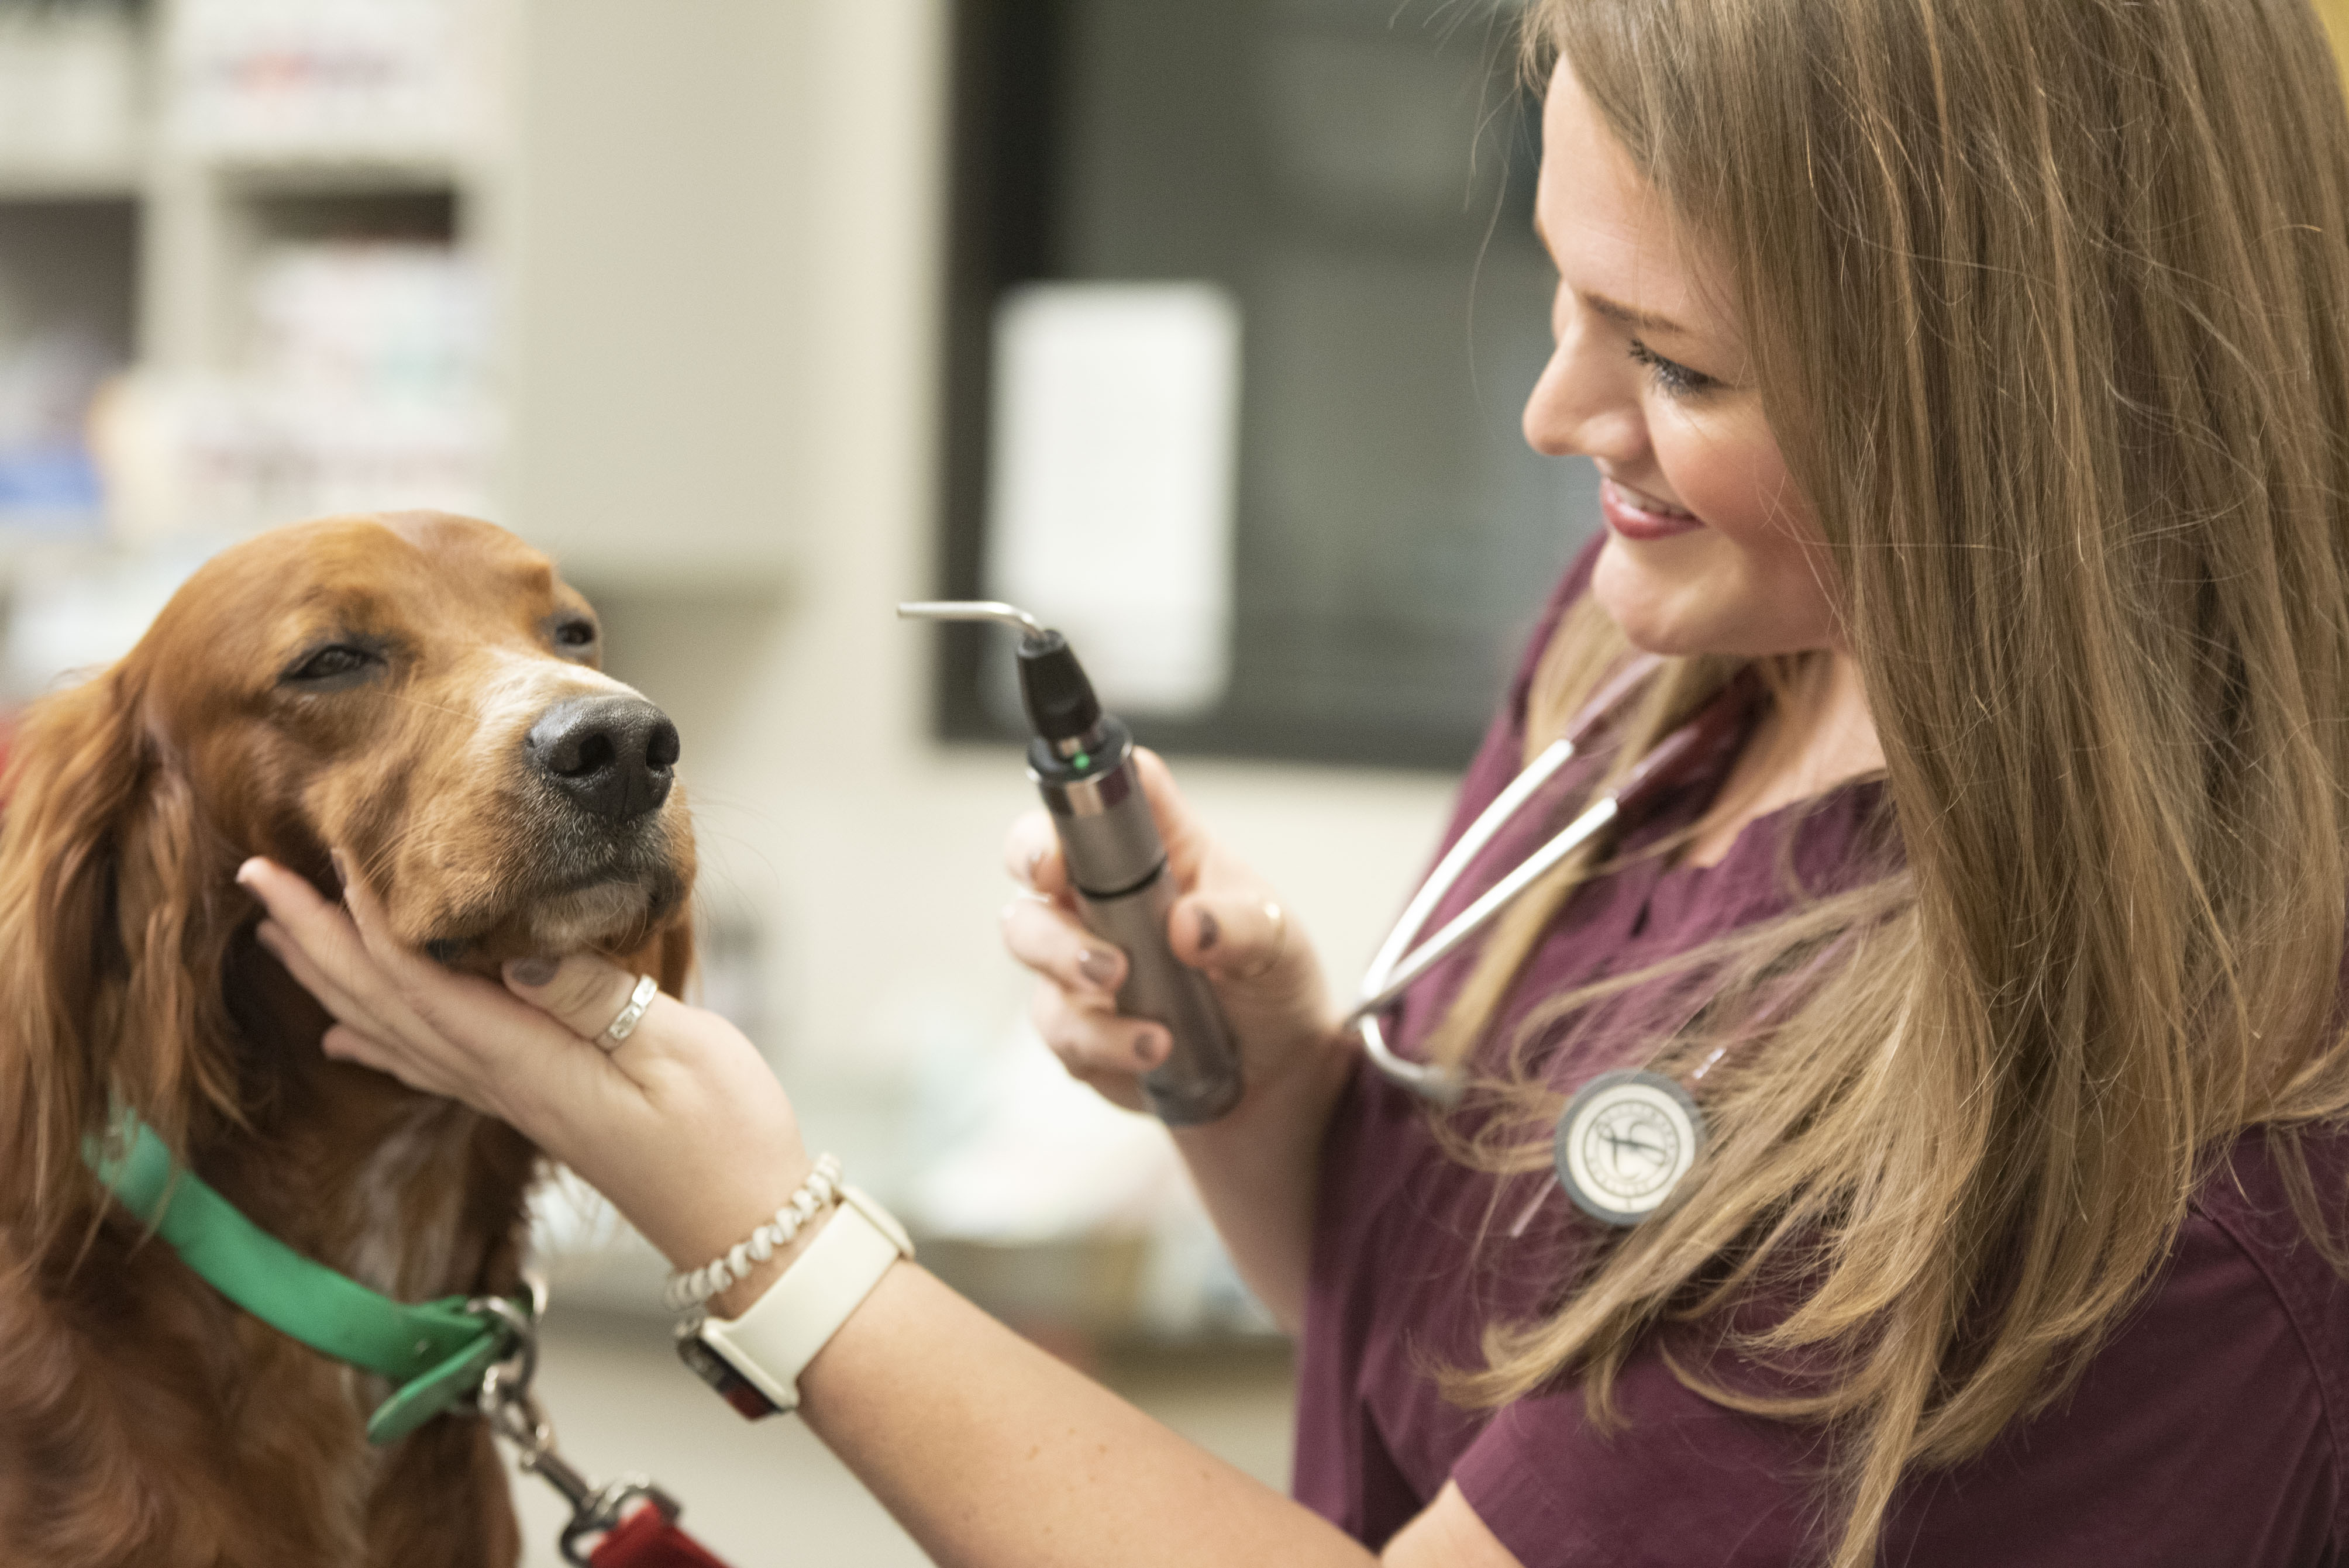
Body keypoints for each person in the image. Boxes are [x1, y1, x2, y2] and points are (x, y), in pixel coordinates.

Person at [241, 0, 2349, 1562]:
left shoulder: (2145, 1114)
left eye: (1679, 364)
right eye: (1564, 288)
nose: (1552, 411)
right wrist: (1267, 1090)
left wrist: (764, 1234)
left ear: (2017, 406)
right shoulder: (1655, 659)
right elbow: (1436, 1341)